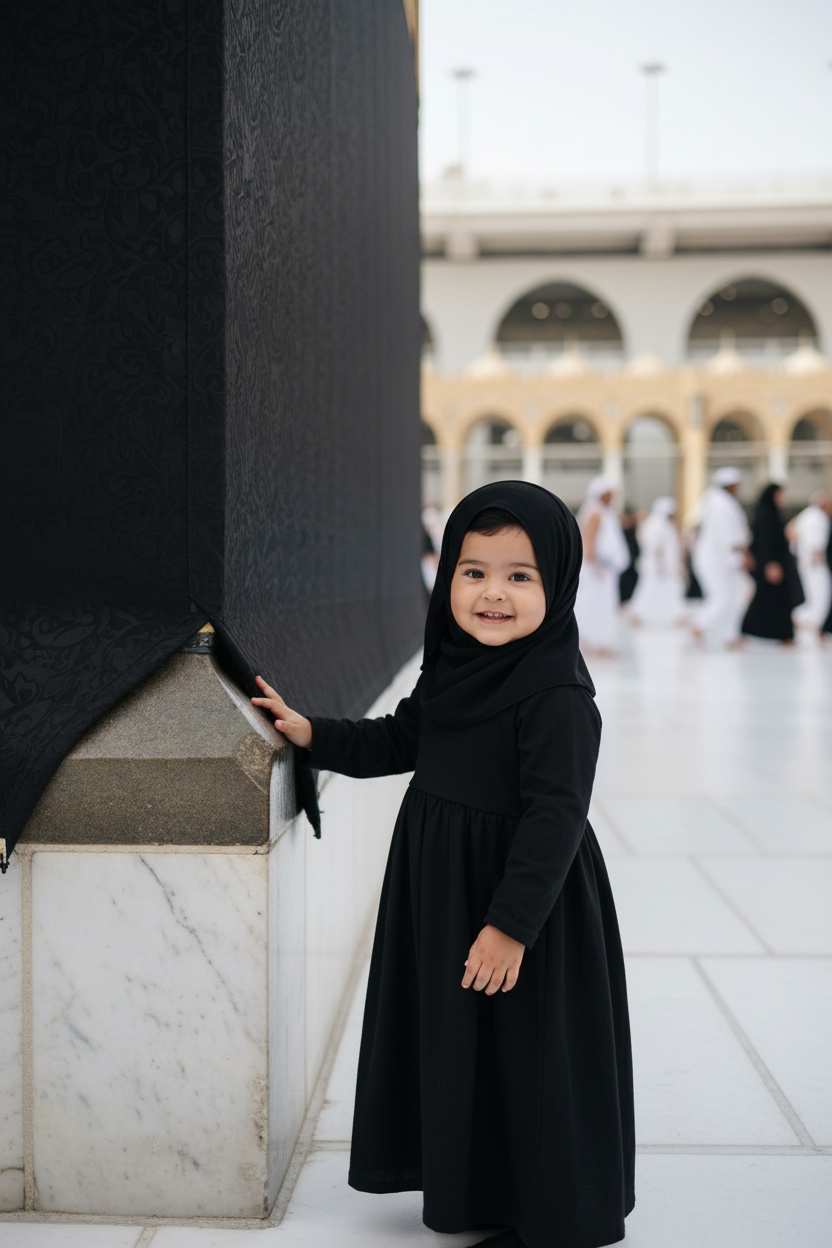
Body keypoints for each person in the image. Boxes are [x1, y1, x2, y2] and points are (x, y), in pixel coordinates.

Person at [252, 482, 635, 1248]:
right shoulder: (452, 672)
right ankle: (472, 1185)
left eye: (520, 576)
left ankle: (545, 1197)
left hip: (521, 902)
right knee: (466, 1040)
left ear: (556, 585)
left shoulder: (557, 695)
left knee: (526, 1046)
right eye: (474, 571)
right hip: (442, 889)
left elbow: (556, 817)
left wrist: (509, 926)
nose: (493, 592)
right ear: (448, 576)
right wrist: (312, 733)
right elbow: (401, 740)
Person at [691, 467, 752, 648]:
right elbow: (730, 536)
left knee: (736, 595)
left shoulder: (717, 502)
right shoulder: (721, 505)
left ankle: (730, 635)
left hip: (721, 559)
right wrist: (744, 554)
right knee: (724, 597)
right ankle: (700, 625)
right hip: (718, 560)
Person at [575, 475, 630, 657]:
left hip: (604, 568)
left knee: (604, 604)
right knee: (594, 603)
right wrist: (595, 565)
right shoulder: (595, 512)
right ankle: (593, 641)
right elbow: (589, 541)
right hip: (596, 569)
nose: (611, 497)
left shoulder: (604, 512)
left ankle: (599, 642)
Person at [741, 484, 805, 642]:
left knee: (776, 600)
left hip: (778, 563)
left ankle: (781, 634)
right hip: (771, 565)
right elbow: (764, 542)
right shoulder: (765, 514)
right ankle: (753, 629)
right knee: (768, 600)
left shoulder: (773, 513)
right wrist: (770, 563)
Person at [628, 496, 687, 627]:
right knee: (648, 590)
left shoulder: (664, 524)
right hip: (657, 567)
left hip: (664, 566)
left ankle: (677, 615)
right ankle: (635, 614)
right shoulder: (657, 524)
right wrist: (661, 566)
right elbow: (656, 548)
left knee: (669, 590)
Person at [788, 492, 832, 633]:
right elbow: (816, 542)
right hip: (814, 563)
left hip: (806, 561)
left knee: (814, 594)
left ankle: (807, 619)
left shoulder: (805, 515)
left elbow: (791, 531)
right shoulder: (817, 517)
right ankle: (805, 619)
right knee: (820, 594)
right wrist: (817, 557)